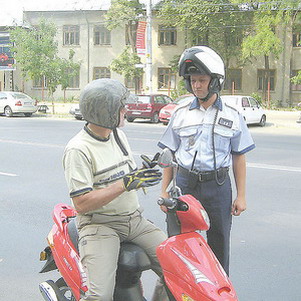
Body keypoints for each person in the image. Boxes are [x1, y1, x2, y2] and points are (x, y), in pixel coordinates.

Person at [63, 78, 168, 301]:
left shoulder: (117, 134)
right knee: (100, 296)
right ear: (106, 112)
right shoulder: (78, 149)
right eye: (121, 106)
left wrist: (140, 174)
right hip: (100, 225)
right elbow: (81, 203)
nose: (125, 109)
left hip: (134, 221)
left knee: (178, 270)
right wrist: (126, 183)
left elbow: (121, 178)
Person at [158, 46, 255, 276]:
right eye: (192, 80)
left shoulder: (232, 115)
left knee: (219, 243)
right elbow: (169, 155)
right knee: (180, 243)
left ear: (214, 81)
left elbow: (238, 157)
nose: (197, 85)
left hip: (218, 187)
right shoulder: (180, 114)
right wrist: (164, 192)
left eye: (201, 80)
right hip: (184, 185)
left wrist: (241, 196)